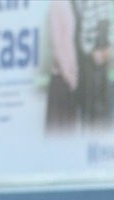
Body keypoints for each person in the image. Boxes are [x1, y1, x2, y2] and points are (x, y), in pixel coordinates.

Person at [44, 0, 80, 130]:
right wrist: (69, 77)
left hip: (69, 79)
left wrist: (74, 73)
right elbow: (57, 46)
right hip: (61, 80)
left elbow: (69, 42)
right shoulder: (57, 4)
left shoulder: (69, 4)